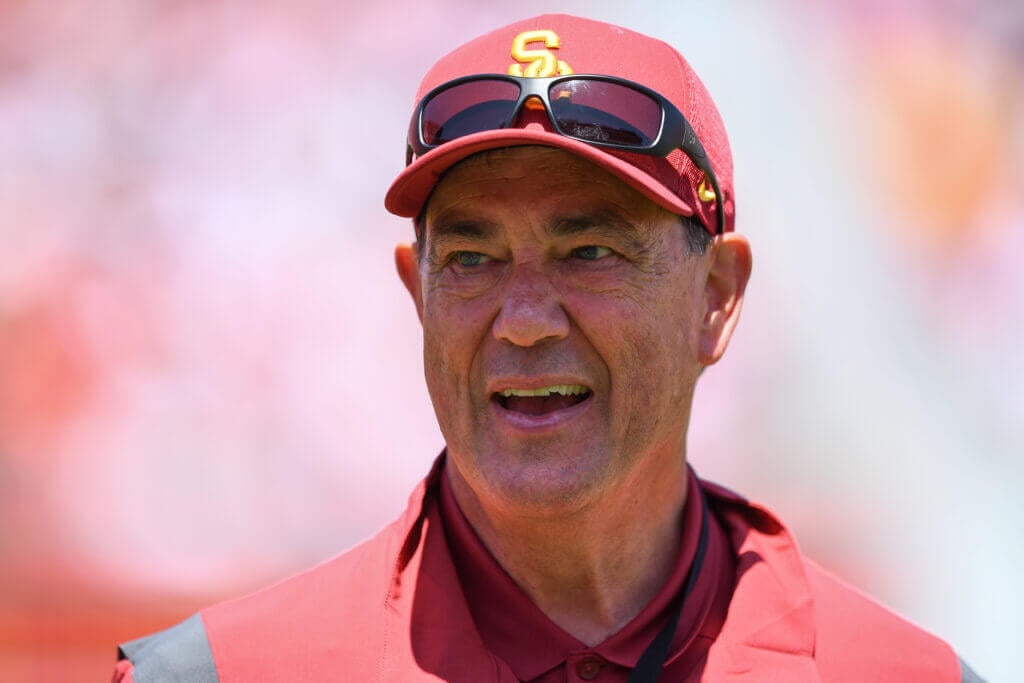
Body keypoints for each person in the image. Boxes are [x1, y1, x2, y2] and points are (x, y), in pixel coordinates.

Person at [112, 14, 985, 683]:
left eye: (589, 251)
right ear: (418, 295)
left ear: (716, 298)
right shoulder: (219, 674)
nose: (525, 319)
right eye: (472, 259)